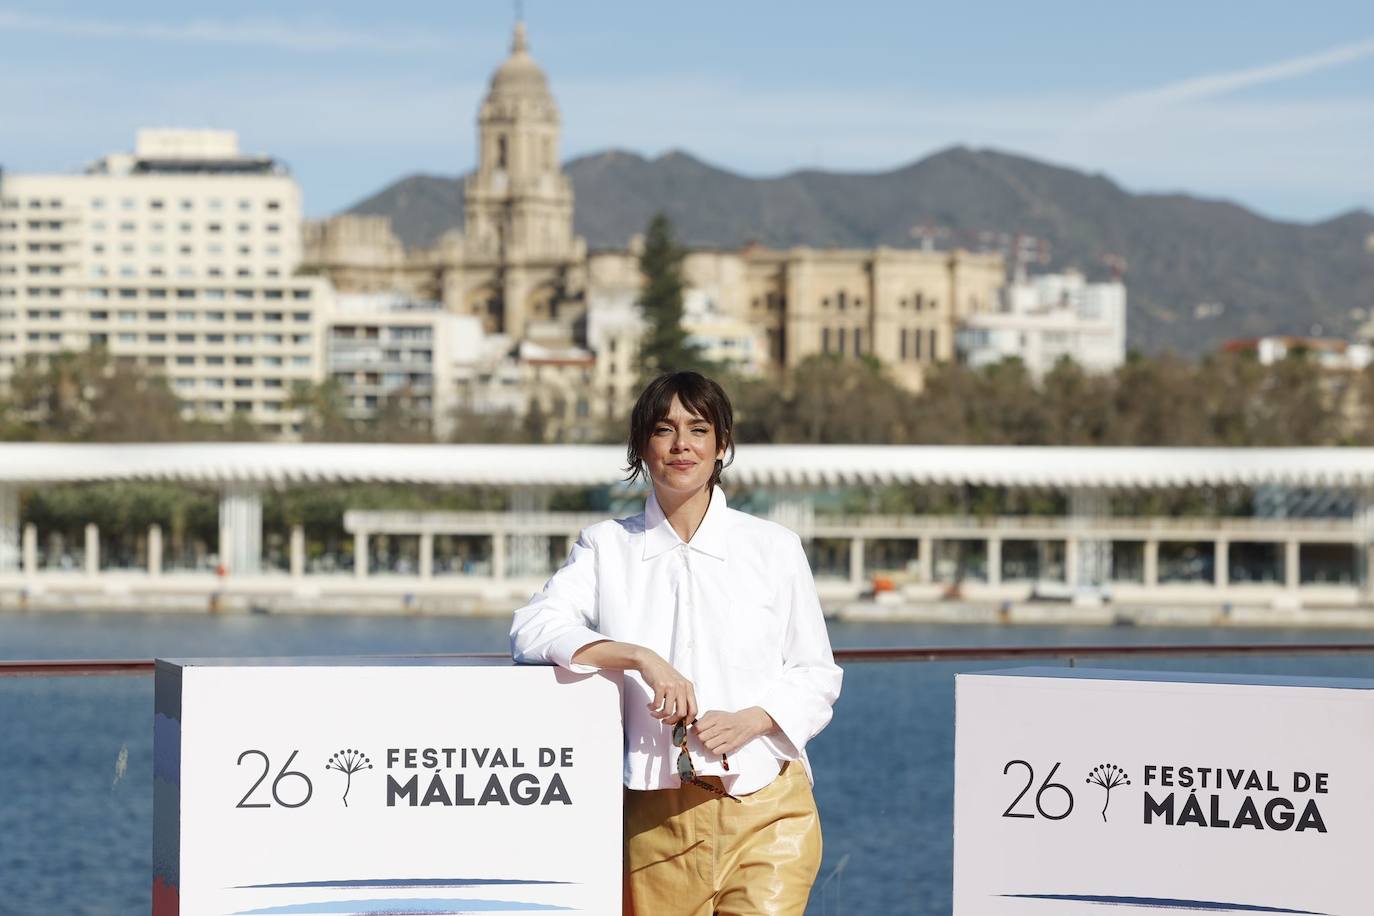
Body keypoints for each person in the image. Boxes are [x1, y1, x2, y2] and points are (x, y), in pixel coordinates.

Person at [510, 371, 843, 916]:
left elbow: (816, 673)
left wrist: (756, 718)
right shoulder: (606, 547)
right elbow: (533, 627)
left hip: (766, 807)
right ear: (643, 446)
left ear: (722, 445)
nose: (682, 444)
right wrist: (639, 657)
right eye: (664, 430)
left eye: (698, 429)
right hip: (654, 822)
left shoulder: (774, 548)